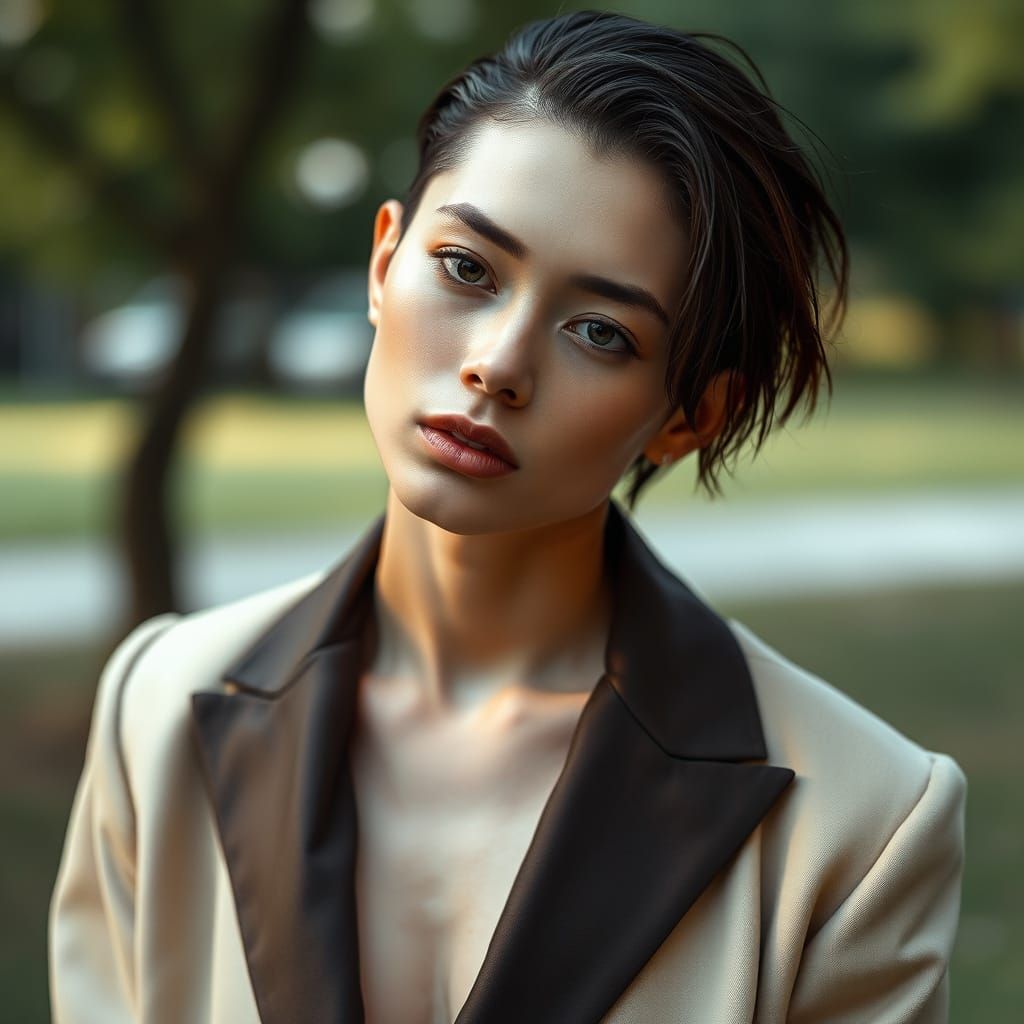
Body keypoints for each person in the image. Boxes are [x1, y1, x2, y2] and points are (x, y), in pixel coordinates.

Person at [49, 10, 966, 1024]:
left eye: (600, 331)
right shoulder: (157, 705)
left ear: (691, 417)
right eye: (467, 268)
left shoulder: (862, 823)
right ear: (383, 264)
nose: (498, 363)